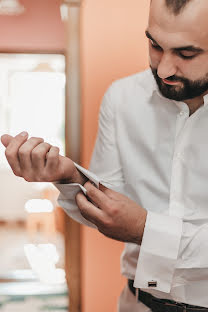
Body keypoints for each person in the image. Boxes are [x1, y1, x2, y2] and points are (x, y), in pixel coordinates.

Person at [1, 0, 208, 310]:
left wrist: (144, 229)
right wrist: (66, 175)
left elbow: (133, 223)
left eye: (186, 53)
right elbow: (110, 208)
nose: (164, 69)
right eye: (154, 45)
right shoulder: (122, 98)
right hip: (137, 303)